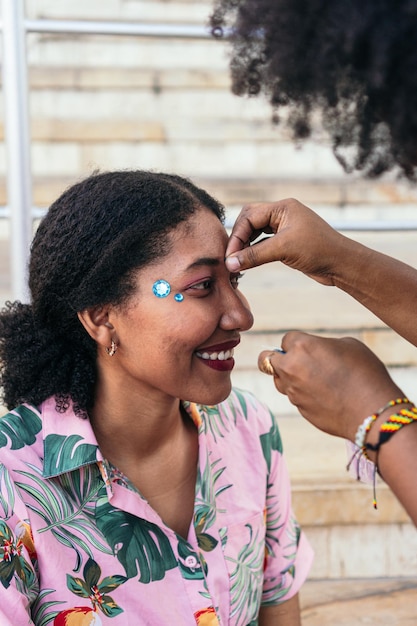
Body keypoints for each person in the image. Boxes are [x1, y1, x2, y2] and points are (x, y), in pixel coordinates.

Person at [0, 170, 313, 625]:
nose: (241, 316)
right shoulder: (12, 485)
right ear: (101, 318)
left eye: (234, 283)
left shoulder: (249, 428)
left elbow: (278, 607)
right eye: (202, 286)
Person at [209, 0, 417, 524]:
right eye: (198, 285)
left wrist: (376, 416)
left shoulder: (251, 444)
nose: (242, 316)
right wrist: (340, 262)